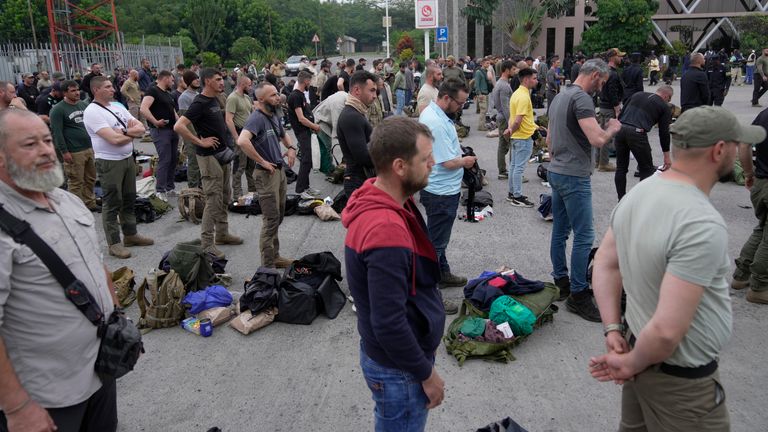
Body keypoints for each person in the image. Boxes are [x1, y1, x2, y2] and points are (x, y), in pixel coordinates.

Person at [589, 106, 766, 431]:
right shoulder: (699, 221)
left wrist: (613, 329)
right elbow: (668, 331)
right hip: (681, 383)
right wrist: (629, 363)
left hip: (639, 353)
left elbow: (605, 262)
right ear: (718, 151)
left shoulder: (641, 190)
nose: (742, 154)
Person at [0, 109, 121, 432]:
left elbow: (96, 263)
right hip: (48, 396)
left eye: (47, 140)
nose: (45, 150)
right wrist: (17, 407)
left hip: (100, 369)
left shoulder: (66, 200)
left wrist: (116, 313)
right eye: (30, 144)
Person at [342, 116, 446, 432]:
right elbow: (388, 322)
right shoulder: (386, 230)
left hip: (394, 361)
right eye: (425, 158)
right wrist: (425, 374)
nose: (434, 163)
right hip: (399, 370)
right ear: (400, 167)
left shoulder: (379, 193)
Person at [546, 59, 621, 321]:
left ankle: (561, 281)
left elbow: (549, 139)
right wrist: (611, 128)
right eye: (603, 81)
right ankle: (578, 294)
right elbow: (597, 139)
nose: (603, 86)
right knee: (584, 235)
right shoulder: (582, 99)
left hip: (556, 170)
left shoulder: (559, 96)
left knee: (560, 231)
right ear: (597, 75)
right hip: (573, 175)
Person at [174, 68, 243, 259]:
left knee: (224, 195)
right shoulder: (199, 102)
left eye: (222, 78)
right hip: (208, 157)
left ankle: (222, 233)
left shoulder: (215, 99)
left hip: (221, 154)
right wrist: (200, 141)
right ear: (207, 81)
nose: (223, 82)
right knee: (213, 199)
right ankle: (207, 244)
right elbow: (179, 126)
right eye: (218, 79)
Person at [82, 76, 154, 258]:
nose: (113, 89)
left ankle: (130, 234)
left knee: (129, 198)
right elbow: (112, 140)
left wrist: (123, 132)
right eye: (107, 87)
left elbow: (140, 128)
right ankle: (114, 243)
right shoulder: (92, 111)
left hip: (127, 157)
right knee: (113, 202)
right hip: (109, 160)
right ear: (96, 90)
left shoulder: (117, 107)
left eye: (112, 86)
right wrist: (131, 134)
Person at [418, 79, 475, 292]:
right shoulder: (437, 123)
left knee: (437, 239)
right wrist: (466, 161)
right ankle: (429, 292)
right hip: (441, 191)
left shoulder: (435, 114)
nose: (461, 107)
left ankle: (442, 273)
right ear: (446, 98)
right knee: (435, 245)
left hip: (439, 188)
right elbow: (447, 162)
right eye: (459, 103)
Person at [237, 82, 297, 269]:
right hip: (265, 174)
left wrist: (291, 147)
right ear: (261, 99)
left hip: (278, 172)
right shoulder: (256, 118)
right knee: (271, 219)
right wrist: (262, 161)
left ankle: (275, 256)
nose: (277, 97)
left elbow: (283, 134)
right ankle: (267, 266)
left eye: (277, 94)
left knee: (278, 216)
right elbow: (242, 141)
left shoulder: (273, 115)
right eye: (272, 95)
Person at [732, 106, 768, 304]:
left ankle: (741, 275)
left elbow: (744, 144)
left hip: (760, 183)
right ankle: (760, 287)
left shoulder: (764, 114)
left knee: (761, 229)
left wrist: (749, 173)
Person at [614, 86, 673, 200]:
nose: (668, 102)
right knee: (646, 169)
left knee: (621, 168)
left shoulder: (637, 94)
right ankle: (641, 201)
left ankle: (621, 199)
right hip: (638, 133)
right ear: (666, 96)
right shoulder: (664, 106)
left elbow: (621, 113)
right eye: (669, 100)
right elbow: (663, 133)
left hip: (621, 129)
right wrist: (667, 156)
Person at [49, 80, 97, 210]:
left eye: (77, 90)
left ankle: (90, 203)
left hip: (88, 147)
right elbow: (57, 133)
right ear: (65, 93)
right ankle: (76, 208)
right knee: (76, 181)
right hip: (74, 151)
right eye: (73, 91)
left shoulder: (83, 105)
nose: (77, 93)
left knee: (91, 178)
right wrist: (64, 152)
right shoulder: (58, 110)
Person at [337, 71, 378, 197]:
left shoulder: (356, 113)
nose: (375, 95)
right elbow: (363, 156)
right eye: (371, 90)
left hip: (362, 179)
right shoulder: (351, 116)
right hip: (358, 182)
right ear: (357, 90)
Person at [140, 70, 179, 200]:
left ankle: (170, 187)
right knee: (165, 159)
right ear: (166, 78)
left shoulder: (167, 94)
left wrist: (180, 124)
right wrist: (155, 122)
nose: (173, 83)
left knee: (174, 159)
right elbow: (143, 108)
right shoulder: (152, 91)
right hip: (161, 131)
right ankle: (160, 190)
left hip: (172, 129)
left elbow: (173, 111)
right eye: (172, 80)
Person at [503, 67, 538, 208]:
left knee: (513, 166)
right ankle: (517, 196)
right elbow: (518, 120)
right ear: (526, 79)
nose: (536, 81)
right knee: (518, 168)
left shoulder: (517, 93)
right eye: (534, 78)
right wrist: (511, 129)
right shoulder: (523, 96)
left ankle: (512, 193)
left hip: (517, 136)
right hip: (523, 136)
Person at [287, 71, 322, 196]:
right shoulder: (295, 96)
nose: (310, 84)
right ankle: (300, 190)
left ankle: (306, 187)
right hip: (302, 132)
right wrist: (315, 126)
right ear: (306, 81)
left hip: (306, 131)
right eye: (310, 81)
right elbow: (301, 118)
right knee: (306, 160)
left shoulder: (301, 95)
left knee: (308, 160)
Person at [226, 75, 257, 199]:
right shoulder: (233, 98)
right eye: (249, 85)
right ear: (243, 84)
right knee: (240, 165)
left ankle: (253, 190)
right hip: (240, 134)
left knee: (251, 164)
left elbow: (251, 112)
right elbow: (228, 120)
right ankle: (237, 193)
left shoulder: (246, 97)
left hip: (249, 134)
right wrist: (236, 138)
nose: (251, 87)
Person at [596, 48, 625, 173]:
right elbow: (612, 93)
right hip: (609, 107)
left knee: (601, 133)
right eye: (619, 56)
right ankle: (603, 163)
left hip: (603, 105)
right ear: (613, 57)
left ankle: (598, 160)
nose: (621, 58)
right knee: (607, 136)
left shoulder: (604, 71)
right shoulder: (612, 73)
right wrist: (617, 108)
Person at [177, 71, 202, 189]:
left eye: (198, 78)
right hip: (192, 136)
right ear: (188, 81)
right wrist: (195, 137)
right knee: (194, 163)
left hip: (201, 134)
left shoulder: (197, 94)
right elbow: (185, 121)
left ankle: (201, 187)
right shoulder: (184, 97)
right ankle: (193, 190)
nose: (197, 80)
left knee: (202, 163)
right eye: (194, 78)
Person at [490, 60, 514, 180]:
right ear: (507, 70)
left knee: (503, 144)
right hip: (504, 119)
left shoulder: (500, 83)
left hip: (502, 118)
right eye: (513, 69)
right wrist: (511, 123)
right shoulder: (503, 85)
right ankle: (507, 172)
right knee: (509, 145)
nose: (515, 71)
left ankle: (503, 171)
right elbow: (505, 106)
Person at [474, 59, 491, 131]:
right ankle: (481, 126)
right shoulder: (478, 72)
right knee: (483, 110)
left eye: (489, 63)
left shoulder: (485, 71)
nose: (488, 65)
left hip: (486, 92)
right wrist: (479, 93)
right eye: (487, 63)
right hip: (482, 93)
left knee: (484, 110)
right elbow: (476, 84)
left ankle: (482, 125)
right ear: (483, 63)